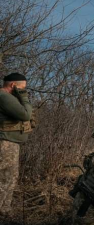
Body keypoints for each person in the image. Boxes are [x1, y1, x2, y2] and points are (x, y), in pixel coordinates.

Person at [0, 73, 33, 216]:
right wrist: (24, 98)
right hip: (4, 143)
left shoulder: (9, 98)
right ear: (13, 85)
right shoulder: (4, 96)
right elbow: (25, 115)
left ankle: (4, 209)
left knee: (10, 177)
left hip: (11, 143)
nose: (23, 91)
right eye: (22, 88)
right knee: (3, 178)